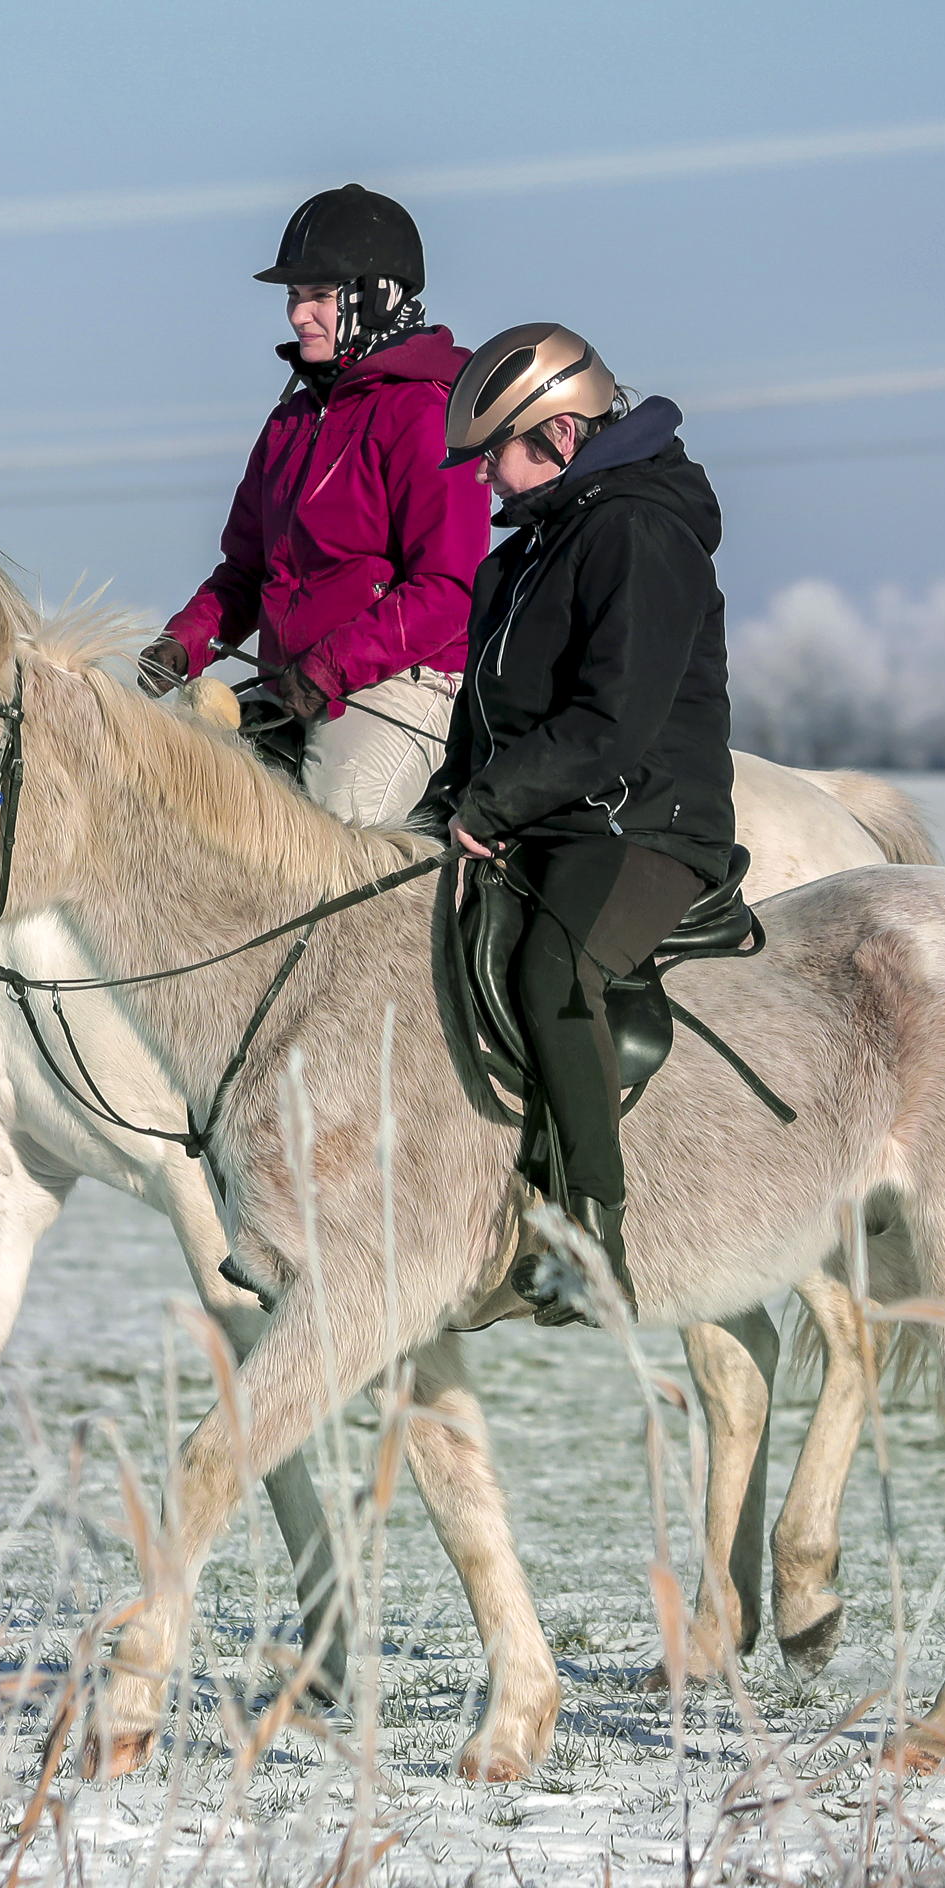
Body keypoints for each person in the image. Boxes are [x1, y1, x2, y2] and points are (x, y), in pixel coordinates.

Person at [420, 323, 736, 1296]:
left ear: (558, 434)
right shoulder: (525, 557)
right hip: (548, 816)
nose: (486, 482)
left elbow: (614, 723)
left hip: (641, 822)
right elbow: (483, 713)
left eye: (497, 457)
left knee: (553, 964)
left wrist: (498, 800)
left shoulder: (638, 535)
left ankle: (589, 1235)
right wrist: (443, 806)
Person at [136, 186, 486, 828]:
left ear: (376, 297)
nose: (299, 316)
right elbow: (245, 571)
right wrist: (184, 643)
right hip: (294, 682)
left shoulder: (426, 414)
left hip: (398, 688)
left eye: (318, 296)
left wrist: (330, 666)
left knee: (329, 842)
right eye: (295, 297)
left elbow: (450, 588)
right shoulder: (290, 421)